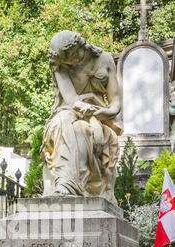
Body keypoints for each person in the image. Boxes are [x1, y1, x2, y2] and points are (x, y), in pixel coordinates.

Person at [41, 30, 123, 204]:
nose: (72, 61)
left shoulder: (105, 60)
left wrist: (104, 112)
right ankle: (66, 185)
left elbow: (115, 103)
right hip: (70, 111)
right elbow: (71, 100)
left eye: (73, 55)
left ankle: (71, 185)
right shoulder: (59, 65)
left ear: (81, 44)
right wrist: (85, 109)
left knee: (82, 129)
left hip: (99, 116)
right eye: (67, 59)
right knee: (65, 123)